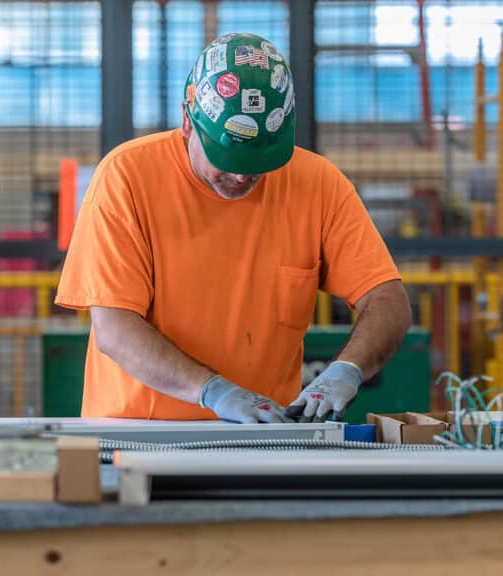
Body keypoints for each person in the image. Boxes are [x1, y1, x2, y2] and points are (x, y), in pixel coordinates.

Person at [54, 33, 412, 423]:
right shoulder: (126, 179)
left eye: (262, 158)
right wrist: (213, 391)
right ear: (188, 121)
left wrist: (347, 370)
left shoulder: (319, 184)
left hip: (264, 439)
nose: (243, 174)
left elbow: (387, 300)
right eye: (227, 156)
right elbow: (115, 329)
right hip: (139, 438)